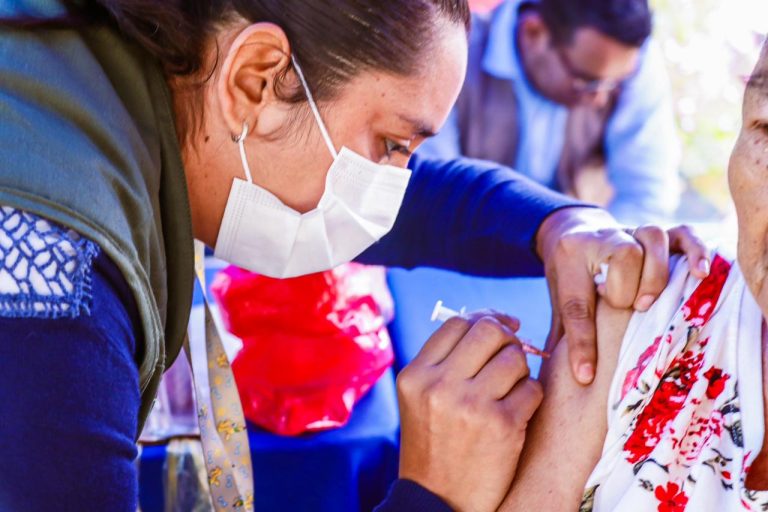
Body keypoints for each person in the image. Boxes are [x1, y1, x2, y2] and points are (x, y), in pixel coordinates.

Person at [0, 0, 707, 510]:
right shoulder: (56, 299)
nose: (394, 185)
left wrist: (558, 223)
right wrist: (432, 494)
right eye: (393, 146)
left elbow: (401, 195)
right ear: (255, 79)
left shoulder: (105, 68)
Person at [498, 42, 768, 511]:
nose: (597, 97)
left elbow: (645, 185)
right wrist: (577, 227)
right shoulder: (653, 307)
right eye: (767, 128)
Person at [418, 0, 681, 224]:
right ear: (533, 32)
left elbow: (646, 196)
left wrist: (611, 255)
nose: (601, 99)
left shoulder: (631, 65)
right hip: (461, 258)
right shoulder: (452, 53)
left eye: (613, 85)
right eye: (587, 81)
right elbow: (433, 195)